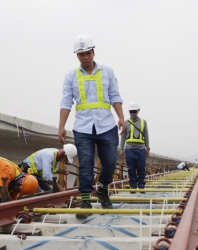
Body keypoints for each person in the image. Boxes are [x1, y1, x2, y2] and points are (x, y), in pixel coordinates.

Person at [58, 35, 125, 219]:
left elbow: (115, 97)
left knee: (110, 161)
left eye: (87, 53)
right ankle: (86, 199)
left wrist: (121, 118)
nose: (85, 57)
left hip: (106, 125)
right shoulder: (71, 76)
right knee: (86, 163)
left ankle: (103, 190)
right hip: (83, 128)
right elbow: (66, 102)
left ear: (93, 52)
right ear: (77, 56)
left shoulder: (108, 72)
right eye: (81, 54)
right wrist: (62, 126)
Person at [119, 102, 150, 190]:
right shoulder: (125, 123)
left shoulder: (143, 122)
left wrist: (148, 148)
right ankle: (133, 185)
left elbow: (146, 135)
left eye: (134, 111)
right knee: (131, 168)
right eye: (131, 112)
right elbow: (123, 137)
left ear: (138, 111)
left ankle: (141, 185)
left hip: (140, 149)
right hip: (129, 149)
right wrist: (121, 150)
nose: (133, 113)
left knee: (141, 167)